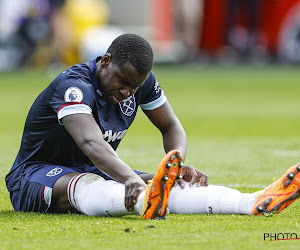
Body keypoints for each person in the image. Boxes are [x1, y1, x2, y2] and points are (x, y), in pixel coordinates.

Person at [5, 34, 300, 219]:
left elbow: (171, 125)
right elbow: (91, 143)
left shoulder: (138, 81)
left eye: (134, 88)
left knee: (171, 182)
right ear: (106, 61)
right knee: (90, 186)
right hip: (35, 174)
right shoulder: (74, 86)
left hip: (96, 168)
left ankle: (252, 202)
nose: (127, 93)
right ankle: (142, 202)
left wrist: (177, 161)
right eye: (122, 83)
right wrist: (129, 179)